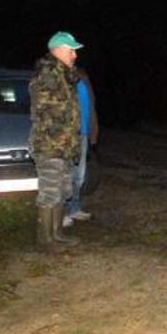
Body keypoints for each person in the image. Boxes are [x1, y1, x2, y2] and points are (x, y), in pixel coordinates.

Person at [29, 31, 84, 252]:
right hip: (50, 145)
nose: (74, 55)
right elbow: (47, 112)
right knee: (50, 193)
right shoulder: (48, 74)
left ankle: (57, 234)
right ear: (59, 50)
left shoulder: (64, 75)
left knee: (62, 191)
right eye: (71, 50)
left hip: (64, 146)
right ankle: (45, 241)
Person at [63, 67, 99, 227]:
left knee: (79, 176)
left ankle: (74, 208)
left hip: (83, 133)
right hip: (67, 135)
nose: (73, 55)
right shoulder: (59, 78)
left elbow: (90, 106)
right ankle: (62, 212)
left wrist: (93, 130)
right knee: (66, 175)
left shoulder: (83, 77)